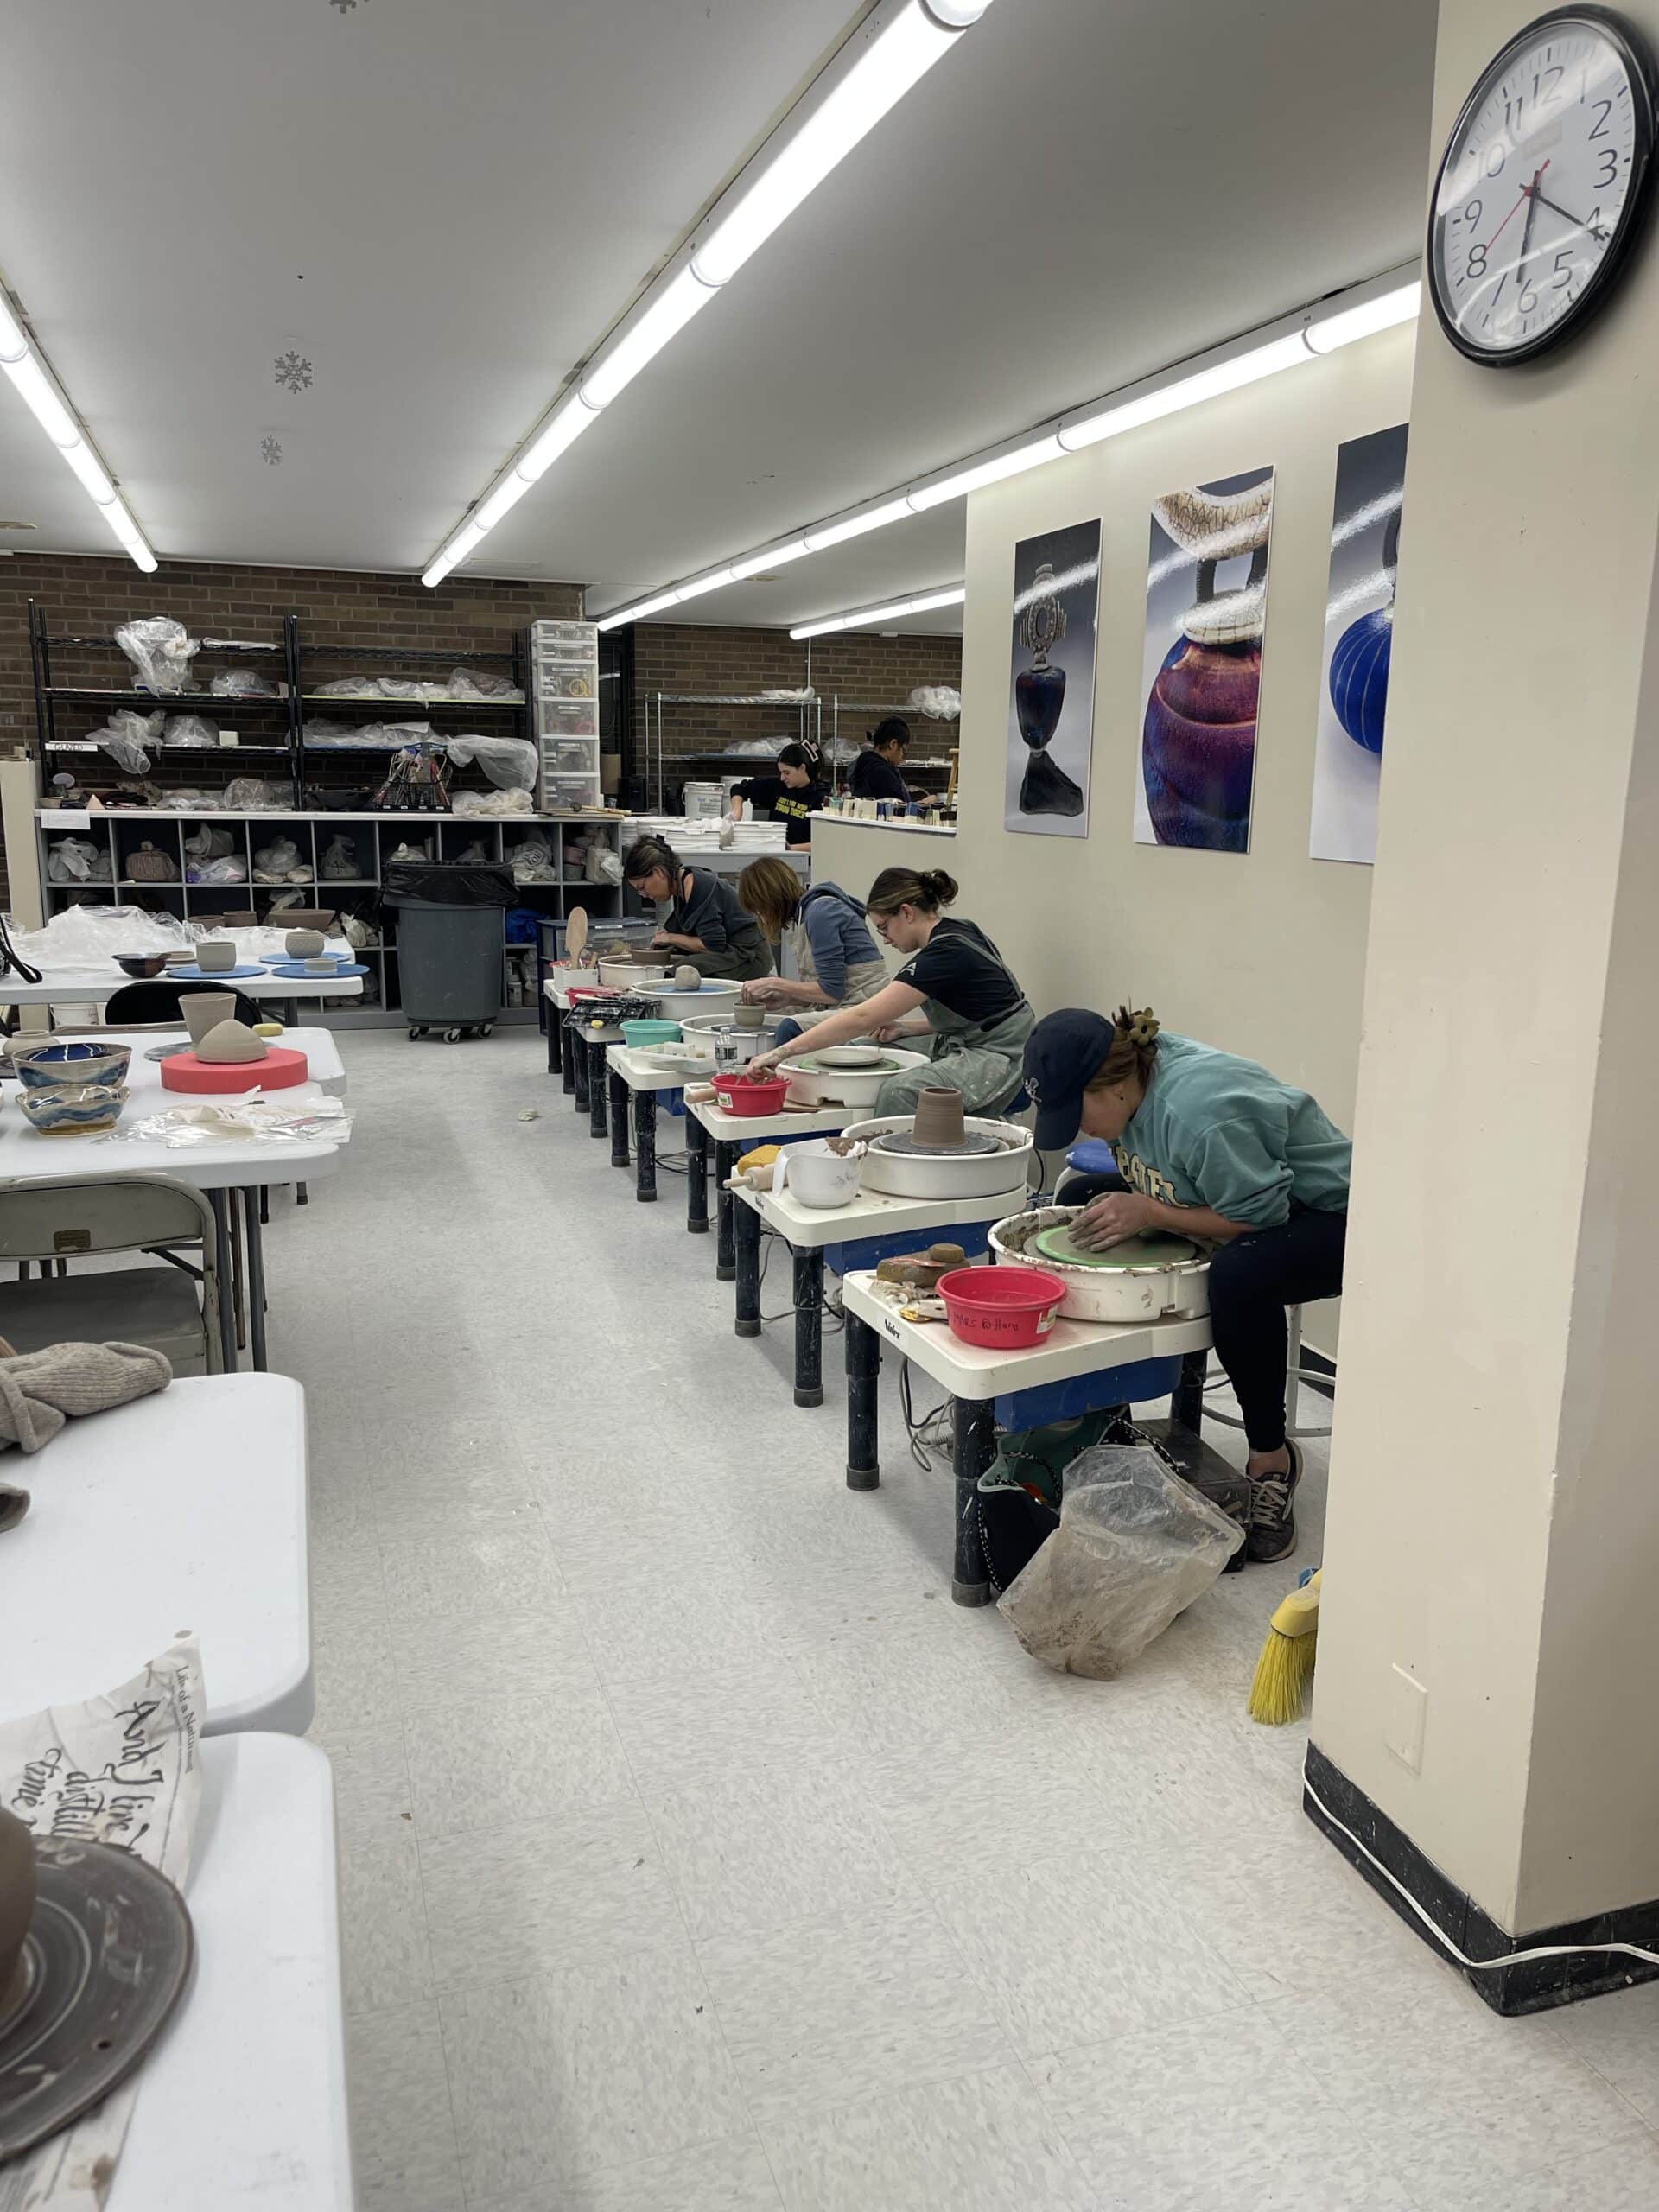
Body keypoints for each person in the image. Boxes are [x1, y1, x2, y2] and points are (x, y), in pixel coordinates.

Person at [1023, 1005, 1351, 1564]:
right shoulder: (1132, 1078)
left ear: (1113, 1086)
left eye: (1076, 1113)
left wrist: (1150, 1211)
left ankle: (1271, 1462)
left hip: (1332, 1216)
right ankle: (1097, 1424)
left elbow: (1261, 1216)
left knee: (1240, 1274)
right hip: (1236, 1190)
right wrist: (1140, 1208)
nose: (1077, 1129)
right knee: (1079, 1202)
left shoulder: (1201, 1112)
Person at [747, 865, 1031, 1115]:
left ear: (906, 913)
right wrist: (906, 1028)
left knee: (899, 1091)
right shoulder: (958, 930)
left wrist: (780, 1052)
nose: (885, 940)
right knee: (862, 1049)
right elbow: (978, 1013)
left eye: (884, 928)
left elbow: (862, 1017)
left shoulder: (945, 953)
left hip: (1002, 1055)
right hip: (973, 1040)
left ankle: (885, 1157)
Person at [734, 858, 887, 1040]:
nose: (761, 917)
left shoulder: (821, 913)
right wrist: (788, 998)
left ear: (770, 898)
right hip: (843, 1002)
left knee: (789, 1027)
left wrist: (774, 983)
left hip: (866, 1008)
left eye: (760, 909)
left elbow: (832, 992)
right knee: (768, 1016)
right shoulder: (804, 915)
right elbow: (829, 989)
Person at [622, 833, 773, 982]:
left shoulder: (698, 887)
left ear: (658, 872)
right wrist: (666, 938)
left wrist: (671, 938)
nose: (644, 895)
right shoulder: (681, 885)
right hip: (730, 950)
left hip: (748, 954)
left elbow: (712, 946)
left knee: (683, 971)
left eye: (642, 887)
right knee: (669, 953)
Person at [728, 744, 823, 849]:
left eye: (787, 773)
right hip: (773, 854)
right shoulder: (778, 787)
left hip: (802, 857)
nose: (782, 778)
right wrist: (737, 811)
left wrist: (790, 849)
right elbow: (740, 788)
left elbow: (824, 842)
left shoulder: (820, 796)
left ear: (802, 768)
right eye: (781, 772)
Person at [847, 717, 912, 805]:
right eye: (904, 752)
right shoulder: (884, 773)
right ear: (893, 744)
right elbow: (900, 809)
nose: (902, 760)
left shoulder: (861, 763)